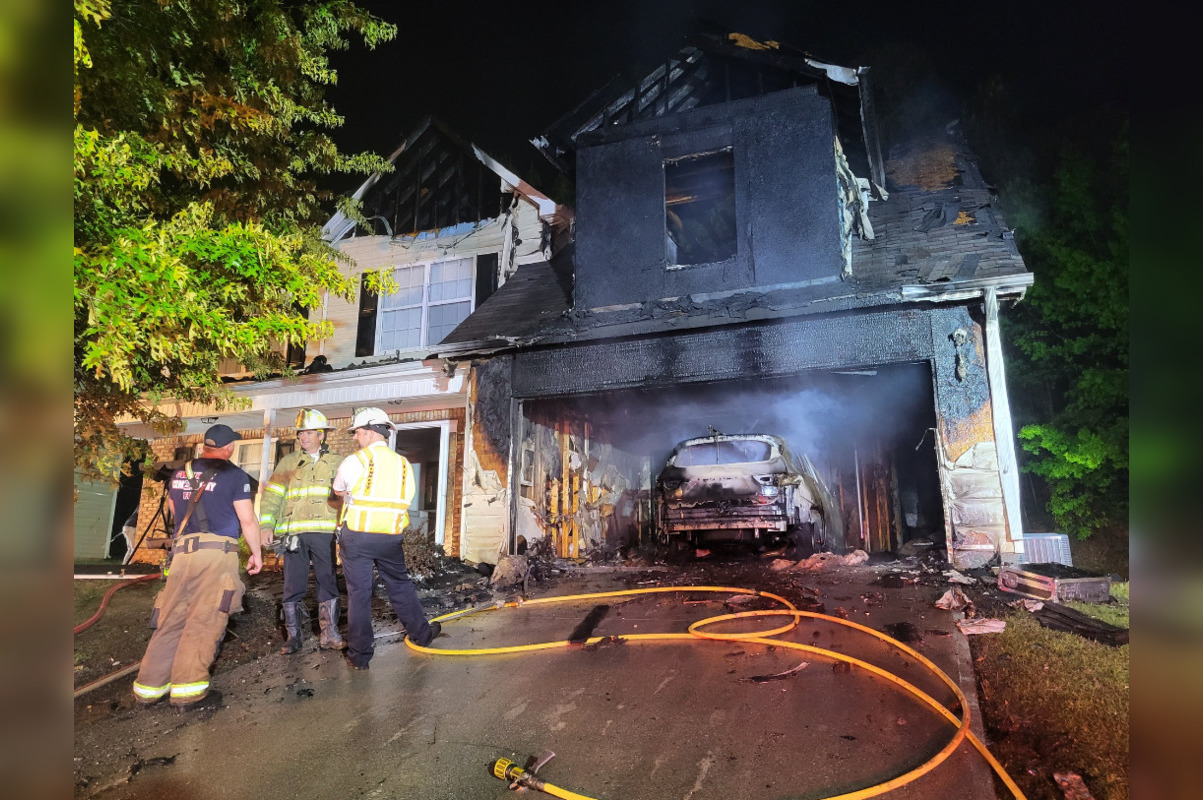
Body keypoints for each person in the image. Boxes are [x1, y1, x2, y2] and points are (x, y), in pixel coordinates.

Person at [132, 424, 263, 708]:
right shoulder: (234, 475)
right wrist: (256, 553)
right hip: (214, 556)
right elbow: (248, 520)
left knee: (171, 620)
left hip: (181, 556)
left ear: (205, 446)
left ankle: (148, 690)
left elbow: (173, 509)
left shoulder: (180, 472)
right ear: (229, 448)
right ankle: (188, 694)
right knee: (203, 621)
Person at [332, 407, 440, 669]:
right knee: (400, 585)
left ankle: (359, 657)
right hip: (390, 537)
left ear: (369, 433)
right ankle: (421, 634)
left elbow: (338, 491)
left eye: (357, 433)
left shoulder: (355, 461)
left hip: (357, 536)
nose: (356, 438)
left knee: (359, 594)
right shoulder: (404, 465)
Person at [259, 408, 345, 654]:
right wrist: (267, 525)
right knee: (292, 583)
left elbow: (346, 497)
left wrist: (345, 526)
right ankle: (293, 637)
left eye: (308, 433)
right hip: (294, 534)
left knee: (327, 580)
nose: (302, 437)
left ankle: (329, 634)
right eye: (300, 433)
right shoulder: (288, 462)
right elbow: (272, 497)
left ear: (321, 435)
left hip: (324, 533)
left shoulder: (338, 463)